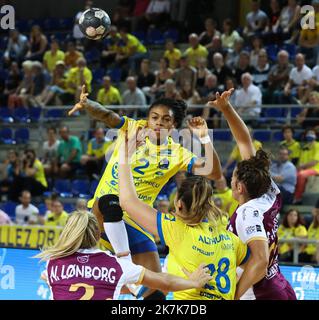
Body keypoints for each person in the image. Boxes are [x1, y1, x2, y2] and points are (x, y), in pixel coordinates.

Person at [68, 86, 222, 299]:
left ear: (174, 125)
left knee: (155, 289)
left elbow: (213, 173)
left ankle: (122, 276)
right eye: (154, 117)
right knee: (110, 200)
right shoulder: (134, 128)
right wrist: (87, 104)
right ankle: (123, 262)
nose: (158, 123)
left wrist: (205, 139)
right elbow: (108, 116)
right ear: (148, 119)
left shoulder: (177, 153)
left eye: (166, 119)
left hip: (134, 220)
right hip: (101, 213)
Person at [117, 133, 250, 300]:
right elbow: (255, 265)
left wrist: (125, 157)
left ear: (178, 204)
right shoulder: (230, 238)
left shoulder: (176, 228)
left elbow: (127, 201)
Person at [208, 88, 296, 300]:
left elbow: (260, 260)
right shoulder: (268, 189)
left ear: (239, 188)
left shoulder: (248, 213)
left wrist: (235, 296)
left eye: (234, 176)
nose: (231, 177)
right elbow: (244, 141)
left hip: (259, 292)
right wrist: (226, 108)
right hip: (279, 282)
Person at [36, 210, 211, 300]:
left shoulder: (53, 263)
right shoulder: (116, 265)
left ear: (68, 233)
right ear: (98, 235)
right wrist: (193, 282)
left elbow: (54, 279)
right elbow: (164, 281)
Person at [294, 129, 319, 203]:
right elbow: (300, 163)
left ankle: (298, 197)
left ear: (315, 136)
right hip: (306, 169)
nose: (309, 135)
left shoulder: (318, 145)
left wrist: (302, 166)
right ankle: (291, 196)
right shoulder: (305, 147)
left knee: (301, 175)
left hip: (316, 169)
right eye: (308, 133)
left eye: (312, 133)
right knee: (292, 174)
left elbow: (315, 162)